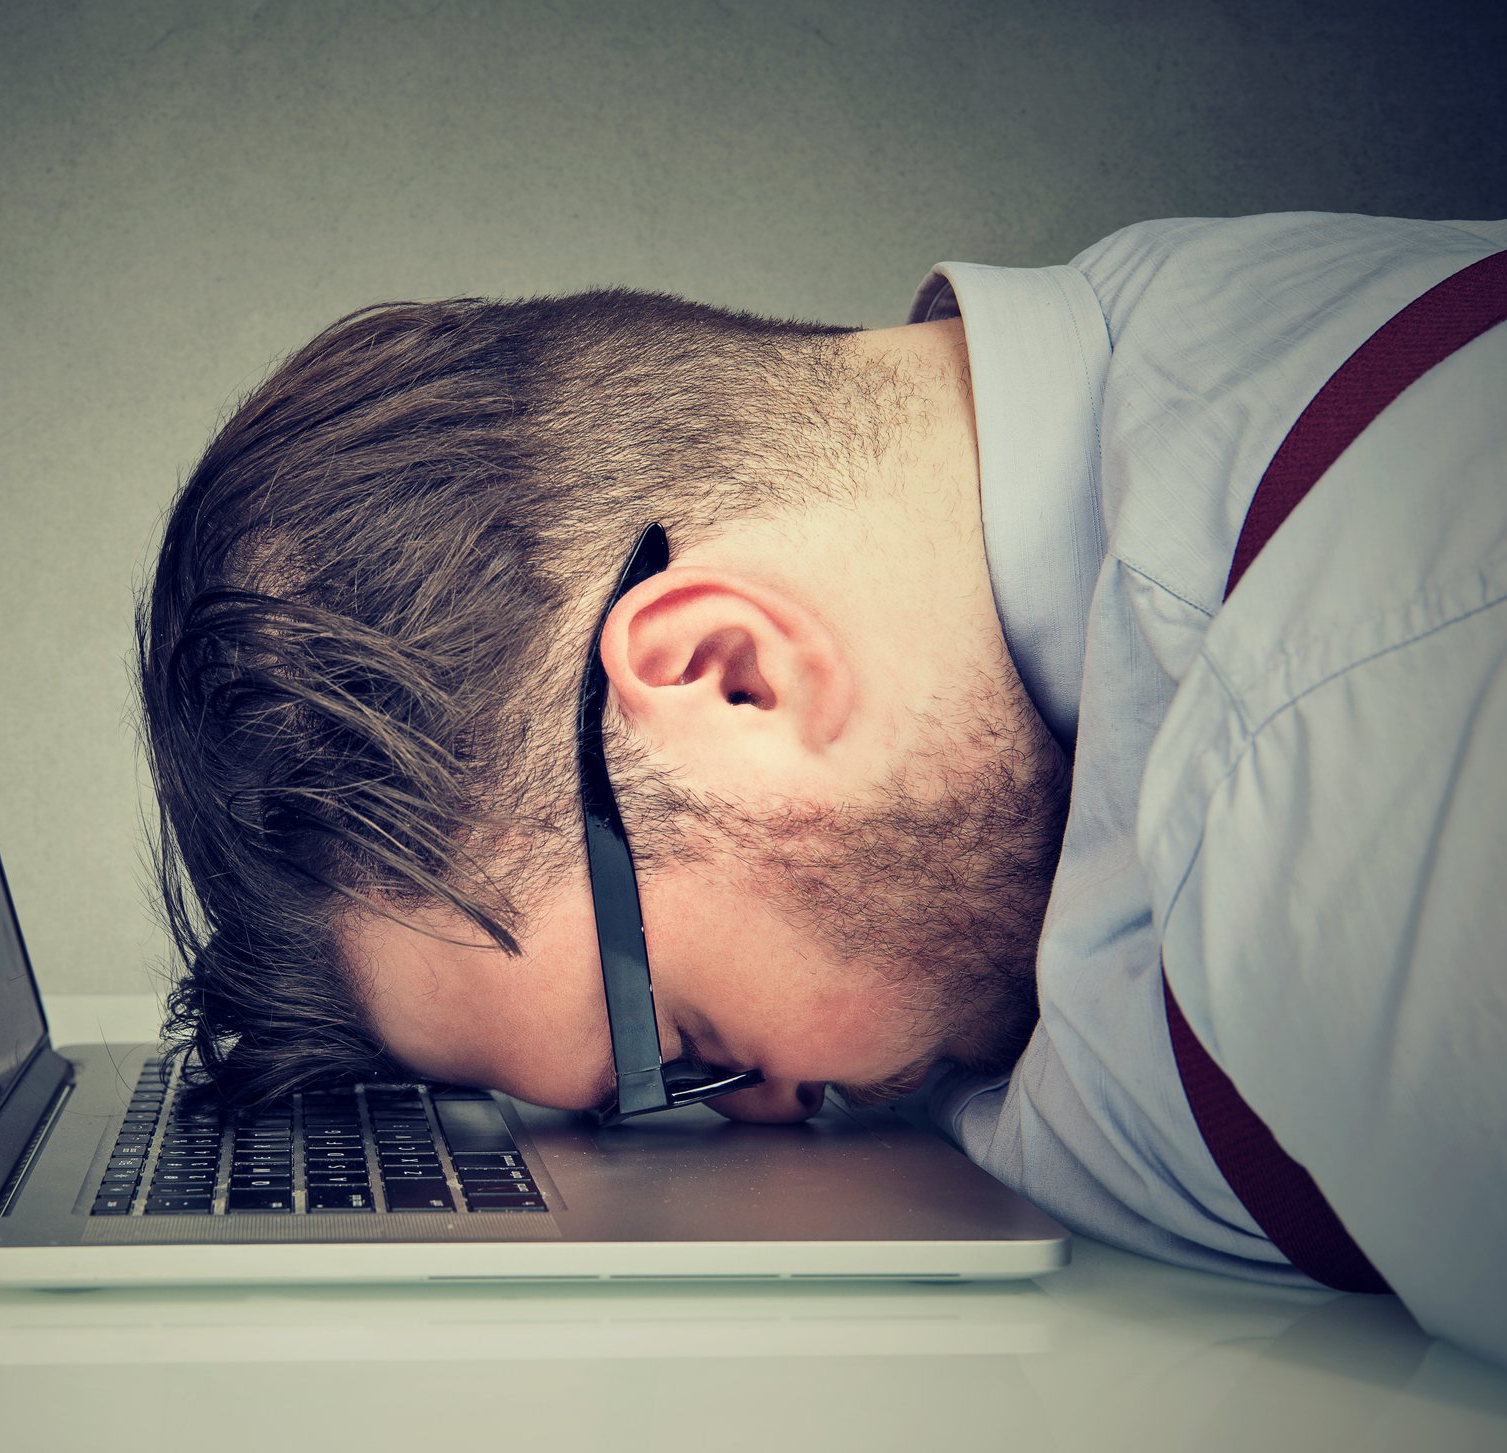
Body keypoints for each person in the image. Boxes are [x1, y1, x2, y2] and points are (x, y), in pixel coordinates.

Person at [136, 212, 1507, 1365]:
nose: (765, 1117)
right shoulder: (1096, 451)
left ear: (729, 671)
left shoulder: (1359, 745)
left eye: (675, 1049)